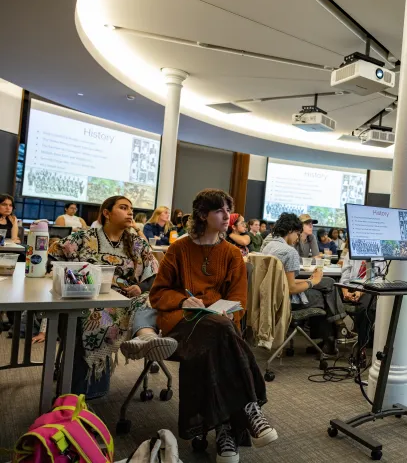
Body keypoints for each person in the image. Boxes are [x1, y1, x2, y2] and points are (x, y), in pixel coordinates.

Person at [149, 189, 277, 461]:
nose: (226, 215)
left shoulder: (232, 253)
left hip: (218, 325)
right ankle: (248, 409)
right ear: (202, 215)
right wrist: (184, 300)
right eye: (219, 210)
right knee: (220, 330)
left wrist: (230, 314)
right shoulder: (179, 249)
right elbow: (157, 294)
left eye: (228, 210)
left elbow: (238, 300)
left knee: (218, 331)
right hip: (180, 321)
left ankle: (223, 428)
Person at [47, 196, 177, 398]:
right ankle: (75, 395)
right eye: (123, 208)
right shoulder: (84, 237)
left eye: (131, 209)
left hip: (126, 303)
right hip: (88, 300)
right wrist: (76, 280)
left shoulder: (135, 243)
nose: (130, 212)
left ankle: (145, 338)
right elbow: (53, 257)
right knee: (87, 316)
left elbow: (154, 274)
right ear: (106, 213)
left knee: (149, 300)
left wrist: (139, 286)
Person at [262, 213, 349, 354]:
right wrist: (312, 282)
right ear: (290, 231)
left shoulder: (269, 246)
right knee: (325, 293)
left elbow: (281, 280)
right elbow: (291, 287)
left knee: (327, 284)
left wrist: (309, 280)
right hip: (285, 300)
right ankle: (333, 336)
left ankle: (331, 339)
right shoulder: (289, 252)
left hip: (271, 296)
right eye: (297, 232)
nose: (298, 236)